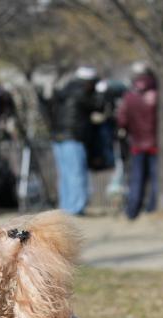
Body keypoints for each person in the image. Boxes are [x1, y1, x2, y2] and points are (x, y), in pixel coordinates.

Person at [50, 66, 101, 215]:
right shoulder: (81, 92)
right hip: (73, 138)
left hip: (58, 137)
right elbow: (98, 105)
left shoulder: (65, 91)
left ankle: (66, 207)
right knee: (76, 174)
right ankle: (76, 208)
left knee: (65, 175)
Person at [117, 62, 158, 219]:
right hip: (156, 144)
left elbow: (122, 120)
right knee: (156, 179)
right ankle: (152, 209)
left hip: (137, 145)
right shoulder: (158, 94)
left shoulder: (129, 96)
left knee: (136, 178)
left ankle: (132, 211)